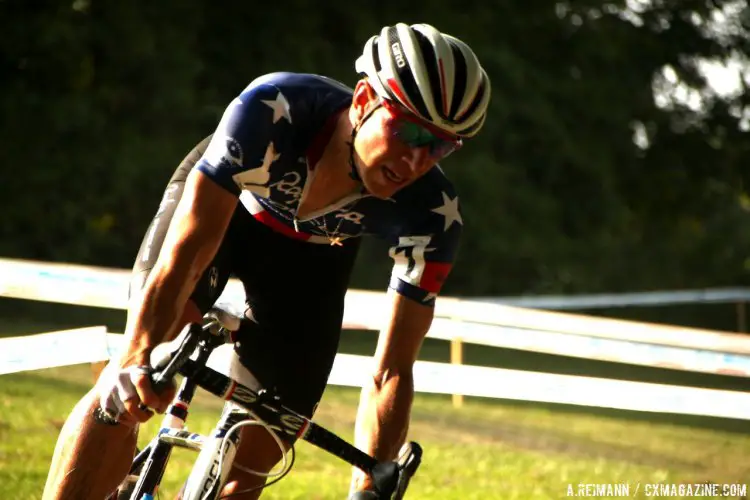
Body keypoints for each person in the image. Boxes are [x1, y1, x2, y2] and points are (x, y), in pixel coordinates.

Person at [42, 22, 491, 500]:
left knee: (252, 462)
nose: (418, 160)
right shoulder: (274, 108)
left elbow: (392, 369)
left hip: (310, 264)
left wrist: (368, 487)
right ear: (363, 100)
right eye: (407, 130)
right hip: (226, 218)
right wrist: (135, 357)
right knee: (130, 390)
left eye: (440, 145)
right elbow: (187, 255)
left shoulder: (433, 213)